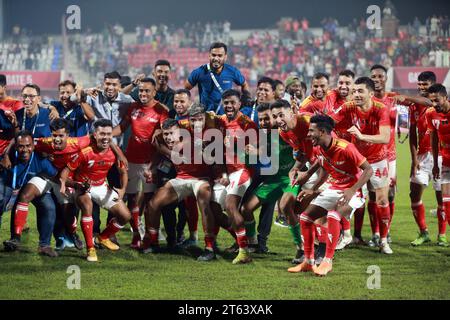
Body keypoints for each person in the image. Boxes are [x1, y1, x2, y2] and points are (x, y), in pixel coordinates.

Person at [288, 115, 372, 276]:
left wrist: (352, 189)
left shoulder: (345, 148)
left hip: (355, 190)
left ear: (322, 131)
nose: (308, 134)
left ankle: (327, 261)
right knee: (305, 218)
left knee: (333, 215)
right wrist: (313, 188)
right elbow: (323, 164)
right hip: (335, 187)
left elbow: (368, 170)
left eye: (311, 131)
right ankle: (308, 261)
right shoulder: (319, 147)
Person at [141, 116, 217, 261]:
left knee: (204, 204)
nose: (169, 137)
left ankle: (209, 248)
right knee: (153, 203)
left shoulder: (191, 141)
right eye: (166, 134)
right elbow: (159, 152)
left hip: (201, 179)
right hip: (181, 178)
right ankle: (154, 242)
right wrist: (151, 169)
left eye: (171, 133)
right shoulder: (162, 140)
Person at [331, 77, 392, 254]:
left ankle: (383, 240)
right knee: (349, 198)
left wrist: (362, 136)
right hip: (356, 160)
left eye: (360, 91)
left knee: (381, 199)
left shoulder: (381, 109)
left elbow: (385, 137)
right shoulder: (348, 107)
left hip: (378, 159)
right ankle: (348, 235)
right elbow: (329, 122)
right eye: (354, 91)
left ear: (371, 94)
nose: (356, 95)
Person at [59, 119, 131, 262]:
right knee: (87, 206)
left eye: (109, 134)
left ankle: (102, 238)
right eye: (102, 134)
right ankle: (90, 248)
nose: (105, 137)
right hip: (83, 186)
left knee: (125, 216)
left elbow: (123, 171)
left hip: (102, 185)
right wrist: (65, 184)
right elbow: (65, 171)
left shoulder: (114, 153)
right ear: (94, 135)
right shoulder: (85, 152)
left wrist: (122, 190)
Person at [113, 78, 169, 249]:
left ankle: (152, 238)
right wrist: (107, 135)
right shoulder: (133, 107)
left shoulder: (161, 110)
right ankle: (137, 235)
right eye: (141, 91)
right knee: (132, 200)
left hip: (149, 163)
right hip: (131, 160)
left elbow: (164, 135)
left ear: (154, 92)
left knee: (148, 202)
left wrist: (153, 165)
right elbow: (122, 127)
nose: (143, 94)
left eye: (147, 91)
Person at [271, 100, 328, 265]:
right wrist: (295, 168)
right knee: (286, 205)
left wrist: (312, 181)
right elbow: (303, 152)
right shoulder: (284, 132)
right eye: (275, 116)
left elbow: (327, 153)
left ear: (291, 113)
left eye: (282, 115)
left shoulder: (309, 123)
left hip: (328, 168)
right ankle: (302, 247)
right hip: (310, 168)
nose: (278, 119)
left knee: (317, 211)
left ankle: (322, 251)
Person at [241, 103, 297, 253]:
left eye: (267, 118)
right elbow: (257, 152)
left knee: (292, 211)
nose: (264, 122)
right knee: (245, 208)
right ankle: (253, 242)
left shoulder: (288, 131)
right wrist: (248, 152)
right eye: (261, 119)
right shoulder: (265, 134)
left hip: (288, 179)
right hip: (268, 177)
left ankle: (305, 249)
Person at [216, 89, 258, 264]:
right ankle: (240, 240)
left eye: (232, 102)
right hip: (229, 172)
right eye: (226, 103)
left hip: (243, 170)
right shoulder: (221, 121)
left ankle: (244, 251)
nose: (229, 106)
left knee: (230, 205)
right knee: (217, 209)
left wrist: (247, 149)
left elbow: (257, 152)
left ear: (239, 103)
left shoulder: (247, 123)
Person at [2, 130, 59, 257]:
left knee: (49, 207)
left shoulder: (41, 159)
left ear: (33, 146)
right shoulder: (9, 156)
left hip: (33, 189)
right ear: (16, 146)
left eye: (28, 146)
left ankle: (44, 245)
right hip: (11, 189)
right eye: (21, 146)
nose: (25, 149)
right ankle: (15, 240)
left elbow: (55, 176)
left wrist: (71, 184)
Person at [409, 72, 447, 246]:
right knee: (414, 195)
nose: (421, 87)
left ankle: (442, 235)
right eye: (420, 84)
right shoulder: (415, 107)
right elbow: (412, 134)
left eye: (425, 84)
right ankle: (423, 232)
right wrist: (414, 158)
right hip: (422, 157)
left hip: (440, 157)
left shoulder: (435, 105)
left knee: (442, 199)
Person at [321, 69, 357, 249]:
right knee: (337, 194)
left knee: (355, 197)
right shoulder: (332, 96)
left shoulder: (357, 100)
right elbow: (328, 119)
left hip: (354, 154)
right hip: (336, 153)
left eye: (347, 83)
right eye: (340, 82)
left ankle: (353, 234)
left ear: (353, 84)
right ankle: (346, 233)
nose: (343, 86)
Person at [185, 42, 249, 114]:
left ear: (225, 57)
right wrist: (190, 105)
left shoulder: (232, 71)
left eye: (219, 56)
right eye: (213, 55)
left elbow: (244, 84)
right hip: (206, 117)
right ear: (209, 55)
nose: (216, 58)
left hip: (226, 116)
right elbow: (185, 88)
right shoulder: (199, 72)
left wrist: (245, 99)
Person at [426, 84, 450, 241]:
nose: (434, 105)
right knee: (447, 206)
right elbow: (434, 139)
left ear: (446, 98)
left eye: (437, 100)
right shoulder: (430, 114)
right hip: (446, 163)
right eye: (431, 101)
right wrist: (435, 163)